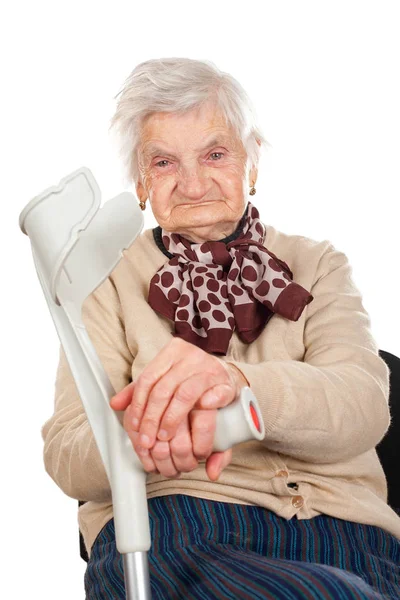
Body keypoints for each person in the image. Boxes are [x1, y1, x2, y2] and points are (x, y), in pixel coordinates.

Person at [41, 58, 400, 600]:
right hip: (178, 531)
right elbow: (68, 452)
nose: (192, 184)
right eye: (163, 162)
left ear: (251, 162)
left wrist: (234, 383)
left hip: (350, 537)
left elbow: (365, 404)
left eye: (214, 154)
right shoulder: (104, 281)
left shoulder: (319, 264)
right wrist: (157, 432)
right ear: (141, 181)